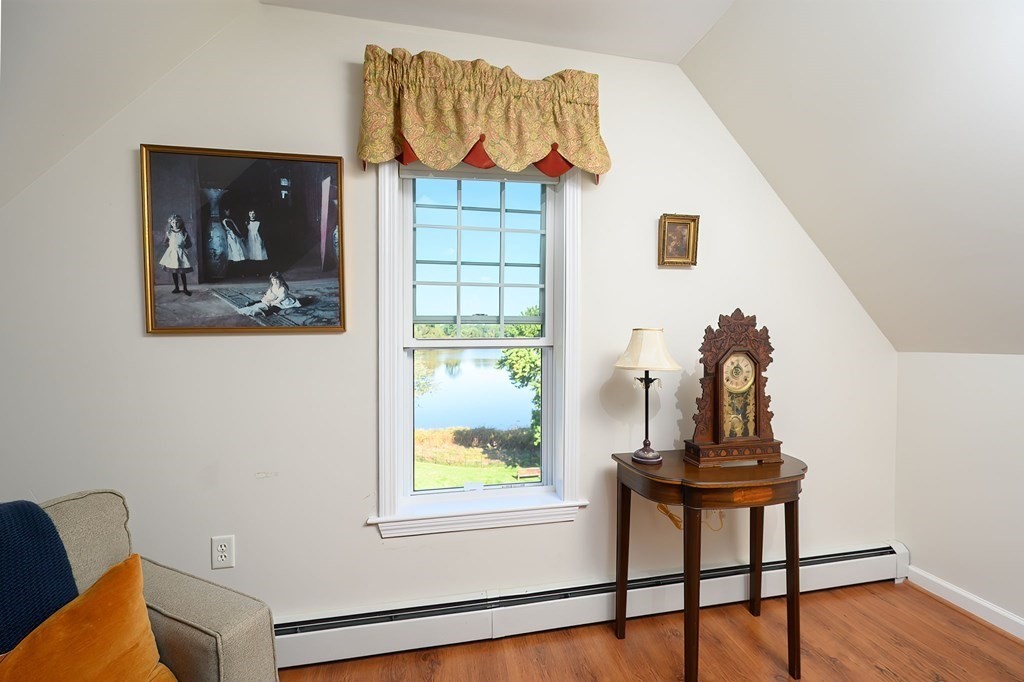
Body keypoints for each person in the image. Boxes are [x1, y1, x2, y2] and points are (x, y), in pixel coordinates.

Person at [158, 214, 193, 296]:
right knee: (174, 271)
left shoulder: (184, 233)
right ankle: (176, 287)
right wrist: (170, 249)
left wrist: (183, 248)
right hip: (172, 253)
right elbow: (165, 242)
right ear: (170, 223)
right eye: (173, 222)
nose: (175, 224)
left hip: (180, 253)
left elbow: (189, 243)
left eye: (177, 222)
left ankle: (185, 288)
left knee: (182, 272)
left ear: (180, 223)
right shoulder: (169, 233)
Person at [245, 209, 268, 275]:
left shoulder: (258, 222)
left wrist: (262, 240)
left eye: (253, 213)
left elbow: (262, 231)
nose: (252, 215)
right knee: (251, 255)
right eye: (250, 213)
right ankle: (252, 271)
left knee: (258, 255)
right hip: (250, 240)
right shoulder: (247, 222)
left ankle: (259, 272)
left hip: (257, 239)